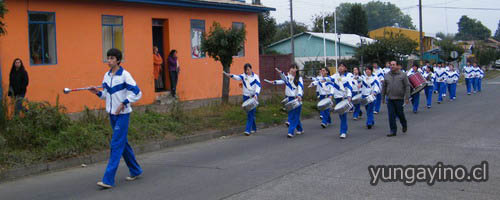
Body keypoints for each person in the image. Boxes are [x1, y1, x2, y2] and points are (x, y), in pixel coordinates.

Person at [90, 48, 143, 189]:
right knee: (123, 144)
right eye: (108, 58)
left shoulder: (125, 75)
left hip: (123, 115)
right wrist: (97, 93)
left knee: (116, 144)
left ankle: (108, 179)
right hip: (112, 115)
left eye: (112, 58)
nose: (109, 60)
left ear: (118, 60)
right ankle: (136, 170)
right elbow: (106, 95)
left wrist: (124, 103)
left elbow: (138, 93)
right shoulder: (106, 76)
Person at [265, 64, 304, 138]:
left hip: (297, 99)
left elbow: (300, 87)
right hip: (289, 99)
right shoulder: (288, 78)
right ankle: (300, 129)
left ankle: (290, 132)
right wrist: (275, 81)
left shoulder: (300, 78)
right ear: (289, 70)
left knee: (294, 116)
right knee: (294, 116)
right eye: (292, 68)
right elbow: (282, 80)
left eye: (295, 68)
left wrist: (299, 95)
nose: (293, 69)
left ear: (297, 70)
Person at [317, 63, 353, 139]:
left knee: (343, 114)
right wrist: (324, 79)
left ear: (345, 68)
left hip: (345, 97)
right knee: (341, 114)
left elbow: (350, 86)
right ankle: (344, 129)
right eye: (339, 66)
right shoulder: (336, 75)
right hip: (338, 97)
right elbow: (330, 78)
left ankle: (343, 131)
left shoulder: (349, 76)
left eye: (342, 66)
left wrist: (349, 96)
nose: (340, 68)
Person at [224, 63, 261, 136]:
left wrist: (256, 94)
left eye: (248, 69)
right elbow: (237, 77)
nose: (247, 71)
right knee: (250, 113)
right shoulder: (244, 76)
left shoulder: (256, 77)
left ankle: (247, 130)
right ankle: (254, 128)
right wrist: (229, 75)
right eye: (246, 70)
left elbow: (258, 86)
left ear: (251, 68)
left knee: (250, 114)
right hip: (246, 97)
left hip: (253, 97)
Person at [382, 61, 410, 137]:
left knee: (400, 114)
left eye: (394, 65)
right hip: (390, 98)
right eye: (391, 65)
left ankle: (404, 124)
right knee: (391, 115)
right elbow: (384, 87)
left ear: (397, 66)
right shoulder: (387, 75)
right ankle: (393, 130)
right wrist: (383, 97)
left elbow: (407, 86)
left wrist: (407, 97)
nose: (392, 66)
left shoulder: (403, 75)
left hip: (399, 98)